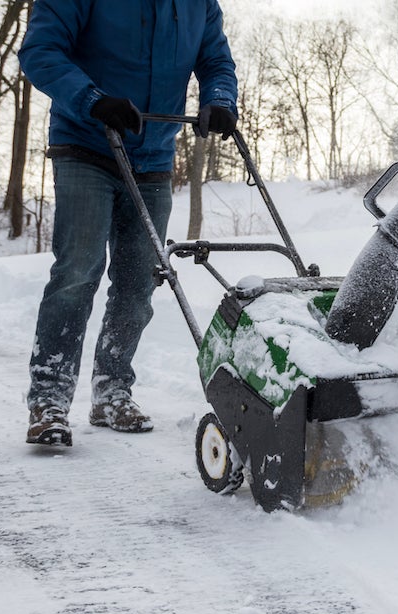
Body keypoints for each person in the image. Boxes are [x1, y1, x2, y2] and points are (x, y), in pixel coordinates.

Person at [19, 0, 238, 446]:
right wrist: (91, 99)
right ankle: (49, 400)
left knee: (140, 281)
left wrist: (218, 100)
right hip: (85, 143)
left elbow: (216, 60)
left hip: (153, 155)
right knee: (77, 272)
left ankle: (112, 390)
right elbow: (39, 50)